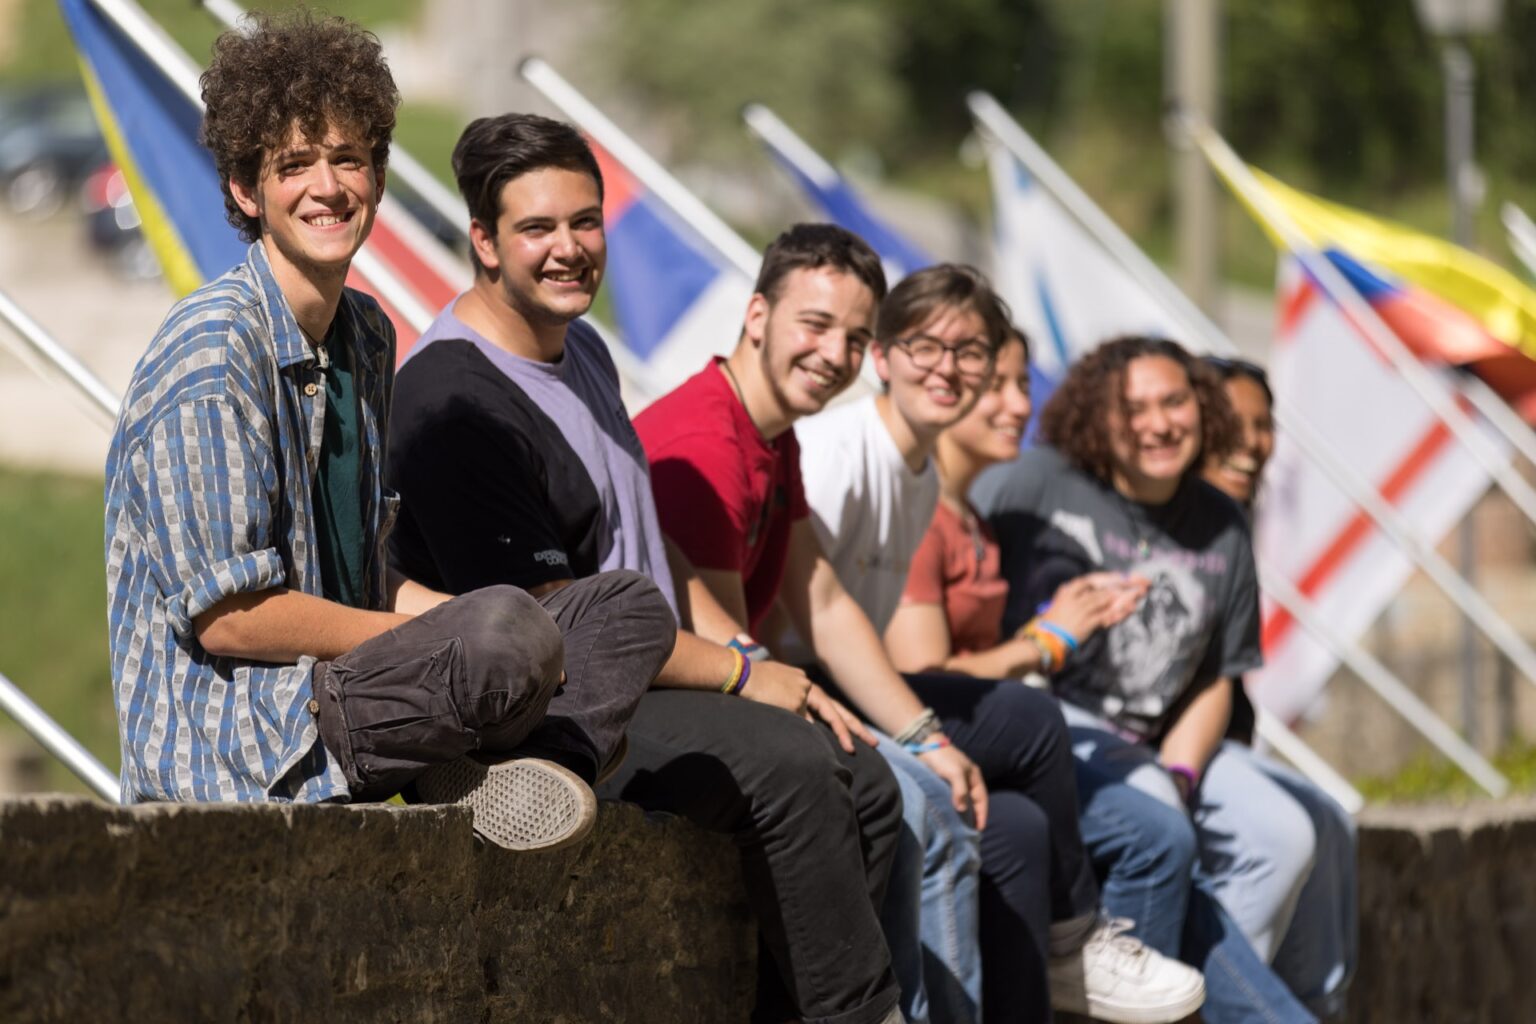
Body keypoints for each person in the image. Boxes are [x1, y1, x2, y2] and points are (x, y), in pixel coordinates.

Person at [103, 12, 674, 856]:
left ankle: (536, 771)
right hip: (244, 744)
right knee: (502, 636)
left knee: (624, 606)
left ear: (376, 173)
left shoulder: (364, 335)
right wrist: (460, 636)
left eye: (348, 158)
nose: (327, 186)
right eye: (294, 165)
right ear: (243, 190)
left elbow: (372, 573)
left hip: (355, 692)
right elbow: (229, 619)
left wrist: (485, 623)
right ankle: (489, 751)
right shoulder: (213, 349)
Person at [384, 114, 903, 1024]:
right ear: (483, 241)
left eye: (585, 223)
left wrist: (749, 661)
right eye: (537, 229)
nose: (570, 249)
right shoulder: (454, 399)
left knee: (867, 777)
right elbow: (562, 633)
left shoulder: (579, 346)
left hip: (656, 678)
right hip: (554, 723)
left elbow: (640, 548)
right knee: (790, 765)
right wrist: (747, 674)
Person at [636, 232, 1204, 1024]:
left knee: (1013, 827)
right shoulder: (711, 437)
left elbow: (823, 598)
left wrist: (926, 734)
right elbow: (733, 646)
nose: (834, 353)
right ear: (756, 314)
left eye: (853, 336)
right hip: (706, 702)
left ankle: (1063, 958)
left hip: (772, 685)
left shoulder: (777, 432)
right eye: (816, 325)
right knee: (935, 804)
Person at [889, 330, 1320, 1024]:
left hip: (1159, 740)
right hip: (1049, 722)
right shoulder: (1018, 484)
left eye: (1175, 402)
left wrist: (1180, 772)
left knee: (1292, 832)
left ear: (1202, 408)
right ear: (1097, 418)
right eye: (1133, 408)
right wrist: (1051, 636)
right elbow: (930, 667)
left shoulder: (1221, 522)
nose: (1158, 423)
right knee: (1155, 829)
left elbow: (1218, 679)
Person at [1201, 356, 1359, 1020]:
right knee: (1284, 832)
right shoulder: (1171, 524)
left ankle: (1307, 1003)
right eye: (1234, 424)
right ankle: (1227, 999)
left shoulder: (1232, 524)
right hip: (1166, 751)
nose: (1254, 442)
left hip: (1217, 746)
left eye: (1264, 425)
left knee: (1329, 817)